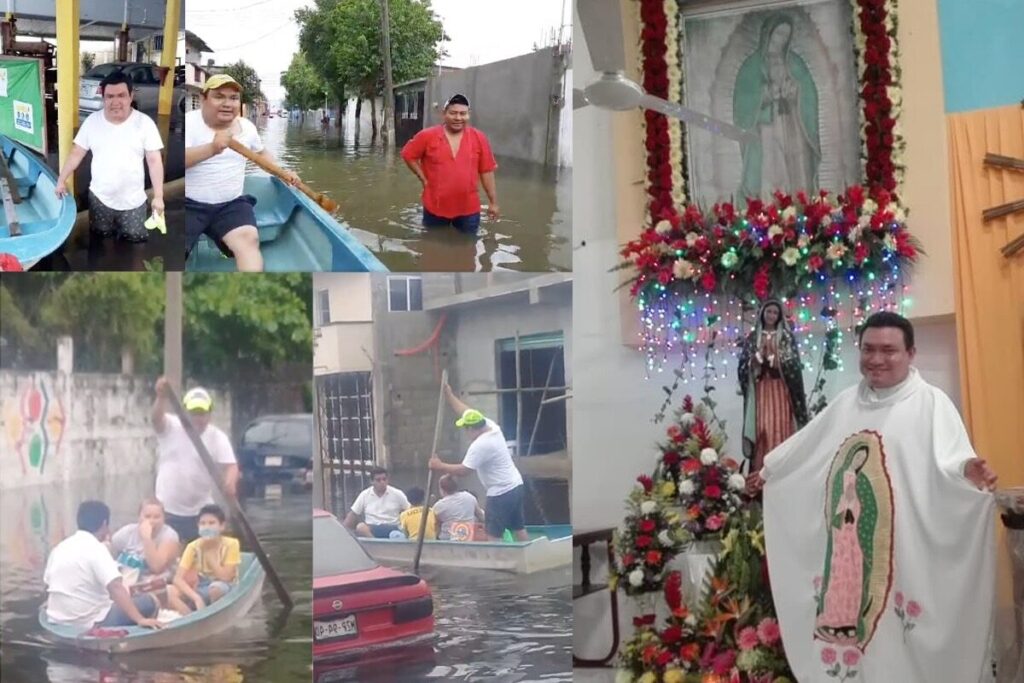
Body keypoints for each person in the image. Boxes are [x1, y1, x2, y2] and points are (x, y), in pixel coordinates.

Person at [755, 311, 998, 682]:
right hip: (852, 547)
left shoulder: (931, 403)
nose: (876, 359)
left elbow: (952, 459)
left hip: (908, 556)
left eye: (889, 350)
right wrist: (769, 470)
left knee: (903, 645)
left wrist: (968, 471)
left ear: (911, 353)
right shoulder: (845, 404)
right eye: (868, 349)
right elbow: (805, 449)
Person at [184, 74, 299, 271]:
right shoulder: (188, 123)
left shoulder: (247, 127)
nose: (227, 103)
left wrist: (281, 172)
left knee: (249, 241)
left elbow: (261, 153)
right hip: (188, 204)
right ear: (204, 99)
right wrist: (212, 148)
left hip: (230, 204)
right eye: (219, 96)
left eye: (233, 98)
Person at [54, 71, 164, 266]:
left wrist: (158, 196)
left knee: (136, 246)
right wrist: (61, 180)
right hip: (100, 199)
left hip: (133, 202)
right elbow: (76, 153)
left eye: (121, 95)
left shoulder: (144, 124)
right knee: (100, 243)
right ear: (103, 97)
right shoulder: (92, 122)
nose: (115, 102)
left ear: (131, 96)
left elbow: (154, 160)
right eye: (110, 96)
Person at [733, 14, 820, 199]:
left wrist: (795, 91)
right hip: (766, 129)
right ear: (768, 33)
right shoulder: (751, 65)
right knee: (772, 168)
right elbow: (743, 101)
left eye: (786, 35)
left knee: (794, 166)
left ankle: (799, 208)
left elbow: (808, 92)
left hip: (793, 124)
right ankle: (768, 212)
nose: (782, 39)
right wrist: (765, 94)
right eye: (778, 33)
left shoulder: (795, 62)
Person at [428, 382, 529, 542]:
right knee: (518, 526)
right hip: (516, 485)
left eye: (466, 429)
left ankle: (497, 561)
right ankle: (528, 554)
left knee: (492, 533)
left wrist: (440, 466)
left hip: (500, 492)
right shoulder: (491, 426)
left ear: (472, 428)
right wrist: (449, 395)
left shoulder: (481, 444)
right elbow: (465, 411)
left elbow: (464, 470)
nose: (466, 432)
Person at [43, 501, 163, 630]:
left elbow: (48, 581)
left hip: (57, 619)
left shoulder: (59, 548)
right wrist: (140, 619)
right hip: (90, 622)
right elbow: (116, 588)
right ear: (105, 524)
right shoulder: (96, 548)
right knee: (149, 600)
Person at [152, 377, 239, 544]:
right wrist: (161, 397)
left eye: (202, 413)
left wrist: (230, 481)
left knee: (205, 552)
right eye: (193, 413)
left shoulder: (217, 437)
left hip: (200, 511)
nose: (198, 418)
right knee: (170, 554)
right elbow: (156, 419)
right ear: (184, 412)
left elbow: (231, 466)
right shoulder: (171, 426)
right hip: (167, 508)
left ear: (209, 414)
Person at [401, 93, 499, 235]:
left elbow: (487, 171)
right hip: (435, 206)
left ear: (468, 115)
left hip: (468, 209)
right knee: (431, 246)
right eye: (453, 113)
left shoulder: (479, 138)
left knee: (468, 248)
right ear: (444, 114)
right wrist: (423, 178)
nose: (458, 118)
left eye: (462, 114)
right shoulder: (427, 136)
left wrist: (493, 203)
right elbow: (408, 155)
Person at [737, 299, 809, 476]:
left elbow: (792, 365)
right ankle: (760, 474)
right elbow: (742, 367)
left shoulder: (786, 337)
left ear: (779, 316)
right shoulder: (754, 337)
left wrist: (777, 363)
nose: (771, 316)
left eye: (775, 313)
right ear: (762, 313)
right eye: (768, 312)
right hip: (761, 391)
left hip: (781, 392)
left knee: (781, 427)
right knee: (763, 428)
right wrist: (753, 363)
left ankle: (783, 473)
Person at [167, 504, 240, 615]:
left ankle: (215, 617)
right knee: (169, 591)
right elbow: (178, 579)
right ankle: (190, 618)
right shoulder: (193, 546)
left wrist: (210, 553)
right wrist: (196, 597)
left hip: (224, 585)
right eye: (203, 524)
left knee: (215, 589)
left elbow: (226, 577)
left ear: (222, 526)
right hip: (200, 585)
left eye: (211, 523)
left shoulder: (231, 544)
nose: (207, 527)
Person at [110, 498, 181, 590]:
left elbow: (157, 567)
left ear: (163, 518)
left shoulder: (169, 535)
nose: (152, 521)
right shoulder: (127, 533)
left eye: (156, 517)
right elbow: (110, 551)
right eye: (147, 516)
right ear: (139, 517)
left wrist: (147, 538)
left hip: (156, 585)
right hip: (127, 580)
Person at [343, 467, 410, 538]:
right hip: (372, 528)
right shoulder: (365, 494)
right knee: (360, 527)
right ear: (372, 482)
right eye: (378, 480)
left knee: (400, 533)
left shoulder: (397, 494)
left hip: (393, 527)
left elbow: (409, 510)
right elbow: (353, 514)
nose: (382, 482)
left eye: (384, 479)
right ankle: (375, 543)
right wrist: (343, 533)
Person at [432, 474, 485, 541]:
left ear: (441, 489)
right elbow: (481, 517)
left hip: (446, 540)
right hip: (469, 538)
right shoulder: (469, 497)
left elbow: (433, 524)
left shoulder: (439, 506)